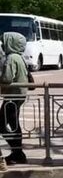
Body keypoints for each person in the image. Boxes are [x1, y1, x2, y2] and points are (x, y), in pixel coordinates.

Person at [0, 32, 29, 170]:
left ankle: (17, 152)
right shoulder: (19, 56)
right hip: (19, 95)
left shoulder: (11, 57)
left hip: (12, 96)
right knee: (13, 123)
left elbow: (7, 78)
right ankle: (18, 153)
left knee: (2, 124)